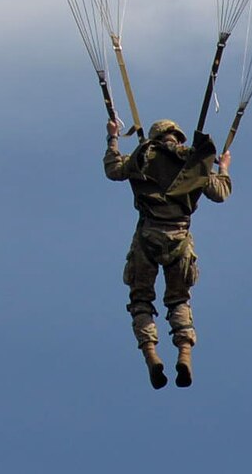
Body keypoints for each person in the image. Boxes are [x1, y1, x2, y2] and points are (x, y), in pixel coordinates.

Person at [104, 116, 232, 388]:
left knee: (140, 300)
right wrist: (223, 168)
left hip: (148, 237)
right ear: (177, 137)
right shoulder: (193, 162)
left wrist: (113, 137)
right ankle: (184, 353)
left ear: (155, 137)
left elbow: (113, 170)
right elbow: (220, 193)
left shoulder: (142, 157)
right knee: (178, 300)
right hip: (180, 240)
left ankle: (151, 354)